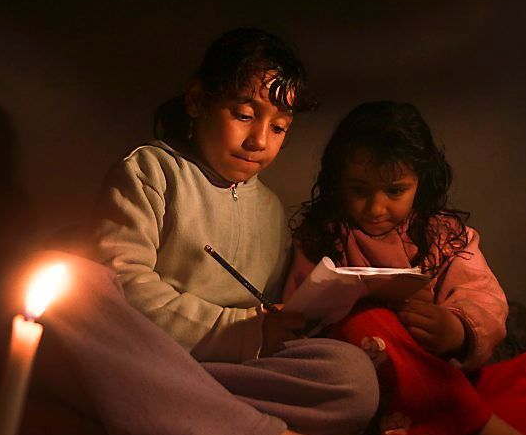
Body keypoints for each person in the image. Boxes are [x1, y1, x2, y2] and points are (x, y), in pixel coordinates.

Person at [56, 28, 379, 435]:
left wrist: (277, 324)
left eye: (279, 127)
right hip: (146, 358)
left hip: (216, 376)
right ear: (197, 100)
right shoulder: (151, 172)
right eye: (244, 115)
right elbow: (124, 290)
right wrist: (242, 330)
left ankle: (189, 414)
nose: (258, 140)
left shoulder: (272, 211)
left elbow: (265, 322)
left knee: (352, 377)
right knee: (71, 280)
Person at [286, 101, 526, 435]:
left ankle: (456, 422)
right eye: (359, 190)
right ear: (337, 182)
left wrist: (456, 330)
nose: (376, 207)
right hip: (376, 400)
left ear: (421, 182)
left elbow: (482, 295)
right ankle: (477, 426)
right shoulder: (320, 238)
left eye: (394, 190)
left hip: (452, 385)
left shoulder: (444, 236)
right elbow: (297, 323)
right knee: (365, 322)